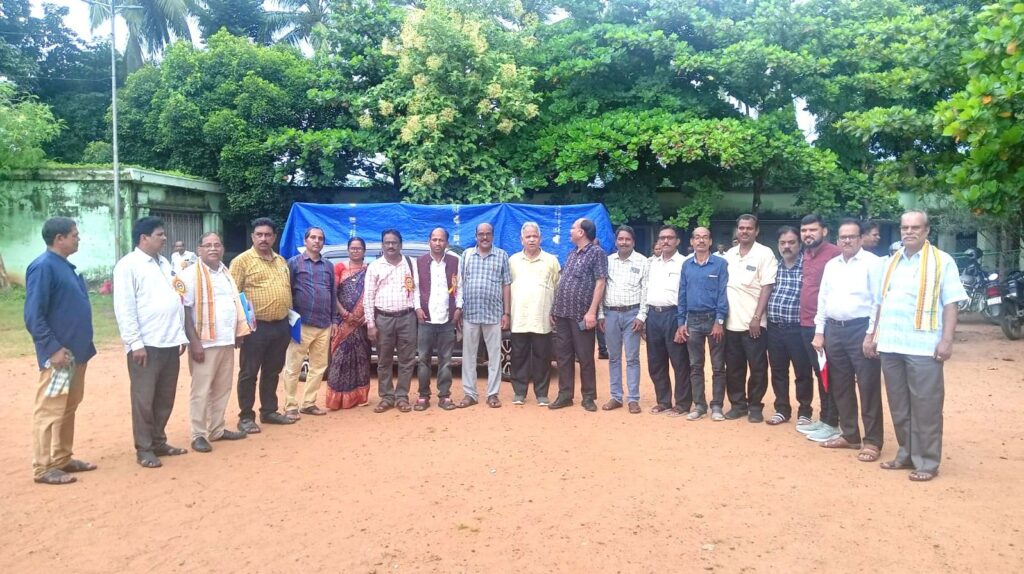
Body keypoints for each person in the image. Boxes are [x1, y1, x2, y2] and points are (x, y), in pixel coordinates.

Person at [868, 210, 967, 482]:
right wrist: (874, 335)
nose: (909, 232)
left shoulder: (942, 261)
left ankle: (927, 461)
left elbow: (951, 303)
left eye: (915, 227)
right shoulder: (891, 262)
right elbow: (881, 302)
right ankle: (906, 454)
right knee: (899, 406)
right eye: (905, 228)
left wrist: (947, 340)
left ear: (926, 231)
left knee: (926, 406)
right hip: (891, 344)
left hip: (924, 346)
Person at [24, 217, 97, 484]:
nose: (78, 239)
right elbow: (33, 315)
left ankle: (62, 458)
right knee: (49, 410)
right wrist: (52, 349)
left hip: (77, 354)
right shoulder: (43, 267)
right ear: (59, 239)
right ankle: (43, 467)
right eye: (74, 235)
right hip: (59, 357)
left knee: (68, 407)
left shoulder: (64, 266)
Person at [113, 216, 189, 469]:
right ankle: (144, 449)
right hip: (146, 345)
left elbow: (176, 298)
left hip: (170, 341)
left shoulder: (165, 263)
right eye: (159, 234)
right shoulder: (128, 265)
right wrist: (135, 343)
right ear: (143, 238)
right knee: (144, 399)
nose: (165, 238)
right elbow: (125, 307)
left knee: (165, 397)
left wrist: (180, 334)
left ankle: (158, 441)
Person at [811, 219, 883, 459]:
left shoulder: (873, 263)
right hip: (834, 330)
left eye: (852, 236)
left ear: (861, 238)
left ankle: (872, 441)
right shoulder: (832, 265)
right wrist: (819, 332)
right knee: (840, 385)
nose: (847, 240)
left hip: (861, 330)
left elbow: (878, 301)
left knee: (868, 386)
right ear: (837, 239)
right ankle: (850, 435)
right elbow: (823, 299)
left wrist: (871, 334)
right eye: (843, 237)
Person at [180, 232, 250, 453]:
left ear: (222, 248)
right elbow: (184, 310)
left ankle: (217, 429)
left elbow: (233, 303)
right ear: (199, 249)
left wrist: (237, 332)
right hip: (204, 344)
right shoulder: (189, 275)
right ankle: (198, 434)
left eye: (217, 245)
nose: (213, 248)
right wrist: (194, 343)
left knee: (222, 388)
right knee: (201, 390)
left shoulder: (225, 272)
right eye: (208, 245)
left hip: (226, 340)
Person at [230, 217, 295, 433]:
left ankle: (269, 411)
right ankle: (246, 417)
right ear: (252, 236)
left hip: (280, 326)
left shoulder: (281, 261)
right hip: (255, 328)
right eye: (259, 234)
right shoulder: (241, 261)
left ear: (274, 237)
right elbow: (233, 296)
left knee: (273, 371)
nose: (263, 239)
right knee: (249, 373)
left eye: (268, 235)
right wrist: (238, 329)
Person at [722, 214, 777, 423]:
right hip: (730, 323)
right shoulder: (729, 254)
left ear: (757, 231)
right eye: (741, 228)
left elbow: (767, 287)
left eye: (749, 228)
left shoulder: (764, 253)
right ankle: (738, 405)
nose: (744, 231)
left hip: (754, 324)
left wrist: (756, 317)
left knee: (758, 368)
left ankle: (755, 406)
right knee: (733, 368)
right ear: (737, 230)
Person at [550, 218, 607, 411]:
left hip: (582, 315)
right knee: (563, 357)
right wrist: (554, 308)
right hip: (562, 313)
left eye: (573, 228)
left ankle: (588, 397)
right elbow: (563, 282)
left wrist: (592, 312)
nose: (570, 231)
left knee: (585, 357)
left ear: (582, 232)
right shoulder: (572, 253)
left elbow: (600, 283)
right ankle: (565, 395)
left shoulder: (597, 253)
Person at [796, 214, 843, 442]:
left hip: (825, 327)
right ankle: (825, 419)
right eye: (804, 230)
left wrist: (821, 328)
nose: (808, 234)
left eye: (812, 230)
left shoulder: (834, 254)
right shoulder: (806, 254)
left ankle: (833, 422)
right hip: (806, 323)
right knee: (819, 372)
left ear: (824, 231)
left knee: (829, 374)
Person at [281, 227, 335, 420]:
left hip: (324, 324)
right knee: (293, 367)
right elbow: (287, 291)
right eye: (313, 237)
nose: (317, 241)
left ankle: (309, 403)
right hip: (301, 324)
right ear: (305, 241)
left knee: (318, 367)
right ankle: (290, 405)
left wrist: (334, 320)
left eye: (320, 238)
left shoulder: (328, 265)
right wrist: (289, 320)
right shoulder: (294, 263)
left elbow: (332, 293)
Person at [675, 227, 729, 421]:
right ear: (691, 242)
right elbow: (682, 294)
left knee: (718, 366)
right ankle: (699, 405)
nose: (701, 241)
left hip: (714, 319)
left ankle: (717, 406)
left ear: (710, 241)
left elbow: (723, 293)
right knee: (695, 366)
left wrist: (719, 321)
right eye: (697, 237)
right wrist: (681, 322)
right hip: (693, 321)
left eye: (705, 237)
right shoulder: (686, 265)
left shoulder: (720, 264)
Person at [456, 223, 512, 408]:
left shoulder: (502, 255)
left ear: (493, 236)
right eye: (481, 234)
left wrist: (506, 313)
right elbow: (460, 284)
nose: (484, 237)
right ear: (476, 236)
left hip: (494, 314)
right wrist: (459, 308)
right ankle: (470, 394)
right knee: (469, 356)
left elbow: (506, 285)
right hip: (470, 313)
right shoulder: (466, 255)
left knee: (494, 357)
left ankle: (493, 394)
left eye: (488, 234)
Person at [364, 229, 419, 413]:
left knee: (407, 360)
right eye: (387, 242)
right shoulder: (375, 266)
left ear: (400, 245)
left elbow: (417, 291)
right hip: (383, 319)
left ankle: (402, 397)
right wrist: (371, 324)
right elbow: (368, 297)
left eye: (394, 242)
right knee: (383, 360)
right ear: (382, 245)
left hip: (407, 318)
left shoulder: (411, 264)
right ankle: (387, 397)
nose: (390, 246)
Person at [765, 226, 814, 426]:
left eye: (791, 242)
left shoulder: (808, 267)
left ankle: (805, 411)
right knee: (778, 371)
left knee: (802, 372)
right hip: (774, 328)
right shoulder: (774, 267)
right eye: (782, 243)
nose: (787, 246)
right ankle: (782, 409)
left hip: (798, 329)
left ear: (799, 244)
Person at [508, 222, 560, 406]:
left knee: (542, 358)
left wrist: (554, 311)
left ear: (540, 239)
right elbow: (506, 287)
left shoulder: (551, 261)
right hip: (519, 318)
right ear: (521, 240)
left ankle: (542, 394)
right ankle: (519, 392)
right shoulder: (513, 261)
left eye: (534, 236)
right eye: (528, 236)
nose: (531, 240)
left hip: (542, 318)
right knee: (518, 357)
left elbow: (558, 287)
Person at [598, 225, 648, 413]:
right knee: (614, 357)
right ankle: (616, 397)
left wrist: (641, 316)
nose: (624, 242)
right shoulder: (608, 261)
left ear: (633, 242)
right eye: (621, 239)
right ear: (616, 241)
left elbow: (645, 290)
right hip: (610, 315)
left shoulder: (643, 261)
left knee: (632, 358)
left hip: (632, 315)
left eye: (627, 239)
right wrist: (600, 314)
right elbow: (601, 288)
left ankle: (633, 399)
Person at [644, 225, 691, 415]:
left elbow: (687, 293)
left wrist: (683, 322)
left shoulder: (685, 263)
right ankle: (663, 401)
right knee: (656, 362)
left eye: (670, 237)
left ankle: (682, 403)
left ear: (677, 241)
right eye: (662, 237)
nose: (665, 241)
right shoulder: (651, 263)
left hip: (674, 315)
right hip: (653, 315)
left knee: (679, 361)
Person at [414, 228, 460, 411]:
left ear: (446, 243)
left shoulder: (455, 262)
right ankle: (423, 396)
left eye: (441, 240)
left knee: (446, 360)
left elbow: (460, 287)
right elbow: (415, 287)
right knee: (423, 359)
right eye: (434, 239)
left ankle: (444, 396)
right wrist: (417, 307)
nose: (438, 243)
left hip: (447, 319)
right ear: (429, 241)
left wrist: (458, 308)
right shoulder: (420, 262)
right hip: (426, 318)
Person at [326, 237, 372, 410]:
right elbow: (333, 293)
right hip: (342, 323)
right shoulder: (340, 268)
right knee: (339, 361)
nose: (355, 251)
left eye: (359, 248)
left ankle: (359, 398)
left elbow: (373, 294)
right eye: (353, 248)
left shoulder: (369, 269)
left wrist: (365, 316)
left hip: (362, 324)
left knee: (361, 361)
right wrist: (344, 314)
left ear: (364, 251)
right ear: (348, 250)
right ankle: (337, 400)